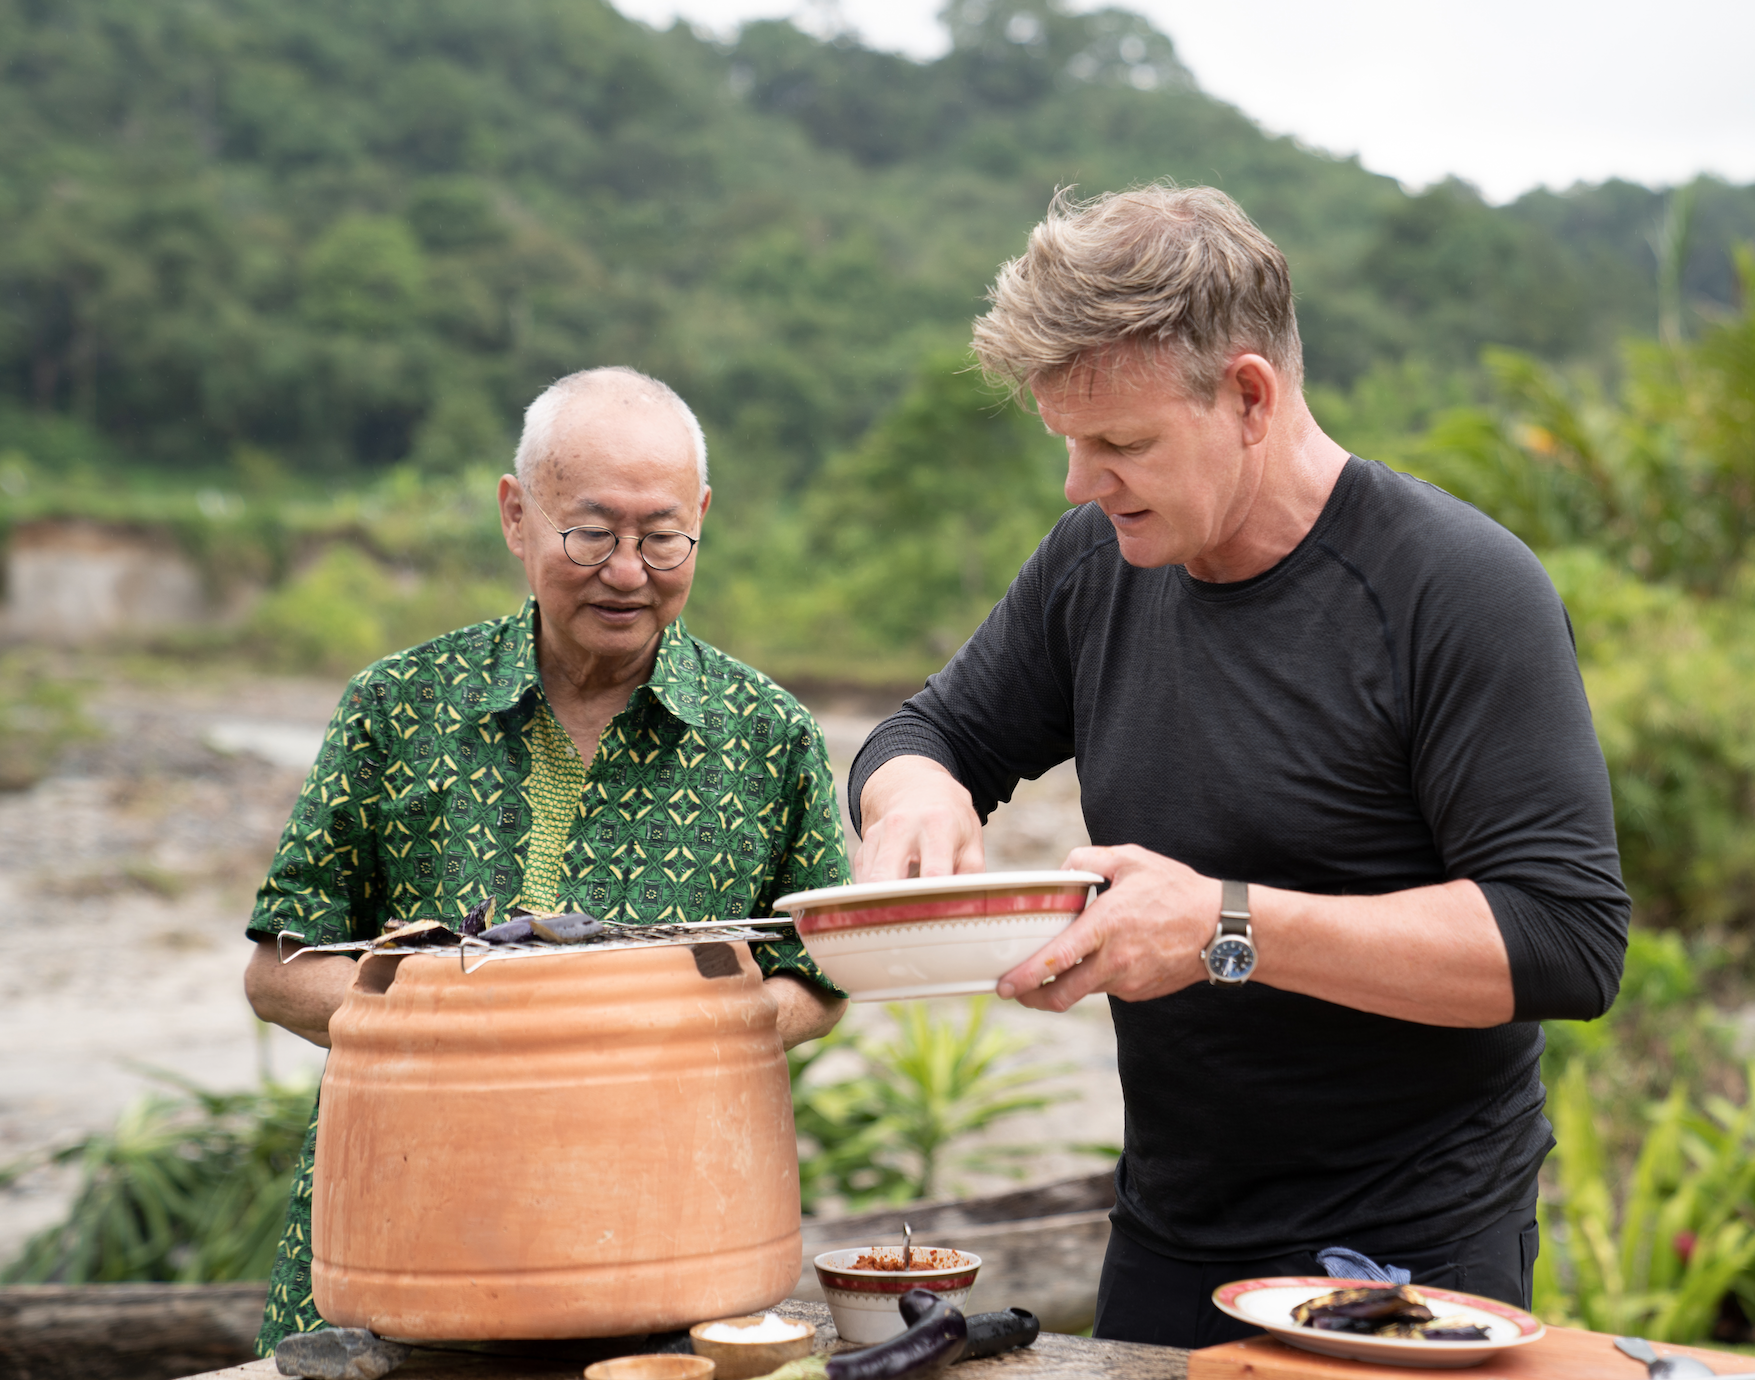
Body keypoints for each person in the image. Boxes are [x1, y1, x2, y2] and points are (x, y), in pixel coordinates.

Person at [848, 186, 1630, 1348]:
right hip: (1170, 1232)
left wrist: (1226, 926)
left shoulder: (1455, 590)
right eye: (1069, 443)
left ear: (1249, 397)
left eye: (1120, 444)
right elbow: (931, 731)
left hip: (1406, 1247)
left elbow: (1566, 939)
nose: (1079, 483)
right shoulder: (1093, 566)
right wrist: (913, 790)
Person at [242, 367, 849, 1354]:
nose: (626, 570)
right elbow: (279, 967)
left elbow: (817, 975)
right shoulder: (396, 707)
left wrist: (657, 1039)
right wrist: (460, 1040)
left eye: (661, 537)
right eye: (589, 533)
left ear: (700, 518)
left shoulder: (766, 733)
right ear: (515, 516)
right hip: (400, 1255)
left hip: (665, 1252)